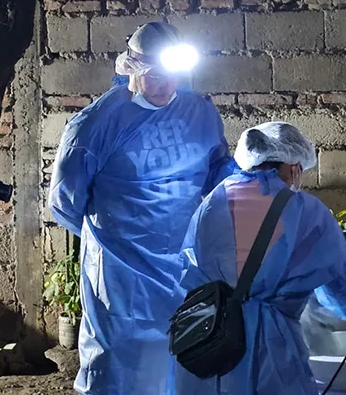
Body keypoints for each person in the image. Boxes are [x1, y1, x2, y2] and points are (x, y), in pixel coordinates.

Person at [48, 22, 236, 395]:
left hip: (182, 266)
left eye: (173, 75)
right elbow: (66, 202)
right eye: (154, 76)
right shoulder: (95, 124)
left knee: (180, 363)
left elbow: (217, 170)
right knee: (120, 367)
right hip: (121, 276)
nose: (166, 85)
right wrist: (117, 238)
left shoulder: (198, 111)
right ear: (132, 68)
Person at [173, 122, 346, 395]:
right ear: (294, 168)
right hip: (269, 352)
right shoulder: (305, 211)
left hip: (207, 345)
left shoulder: (212, 200)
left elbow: (190, 270)